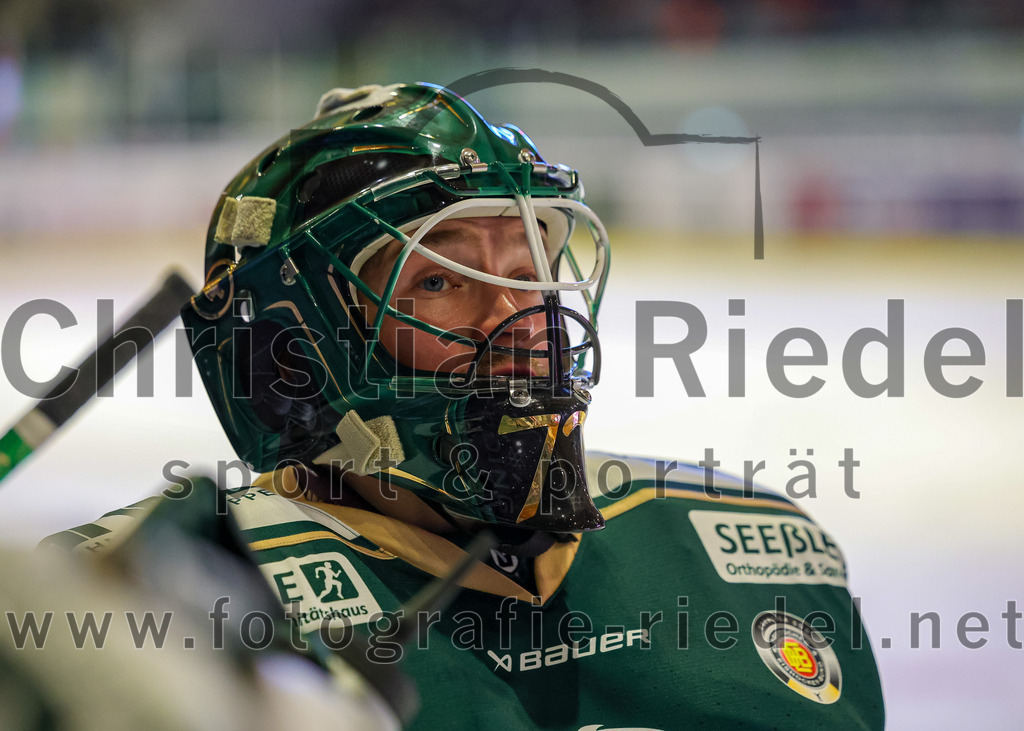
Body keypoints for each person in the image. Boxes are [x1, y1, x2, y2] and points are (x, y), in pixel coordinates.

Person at [43, 82, 884, 729]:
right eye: (442, 280)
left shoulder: (763, 556)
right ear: (300, 351)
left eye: (530, 272)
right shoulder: (137, 603)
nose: (520, 320)